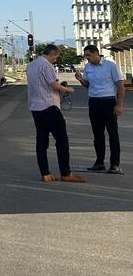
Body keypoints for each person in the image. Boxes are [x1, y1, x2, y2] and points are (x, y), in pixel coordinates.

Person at [26, 44, 85, 183]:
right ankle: (66, 173)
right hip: (49, 106)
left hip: (36, 107)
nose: (55, 60)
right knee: (62, 140)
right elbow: (54, 85)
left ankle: (45, 173)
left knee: (41, 140)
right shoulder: (46, 65)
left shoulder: (32, 65)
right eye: (56, 57)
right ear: (52, 53)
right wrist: (68, 89)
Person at [75, 45, 124, 174]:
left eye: (88, 55)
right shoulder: (88, 67)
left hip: (108, 102)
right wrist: (80, 79)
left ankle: (115, 164)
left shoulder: (110, 66)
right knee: (98, 135)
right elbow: (88, 84)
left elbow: (120, 85)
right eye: (85, 56)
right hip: (94, 102)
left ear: (96, 53)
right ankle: (99, 162)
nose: (86, 58)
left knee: (112, 134)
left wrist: (119, 104)